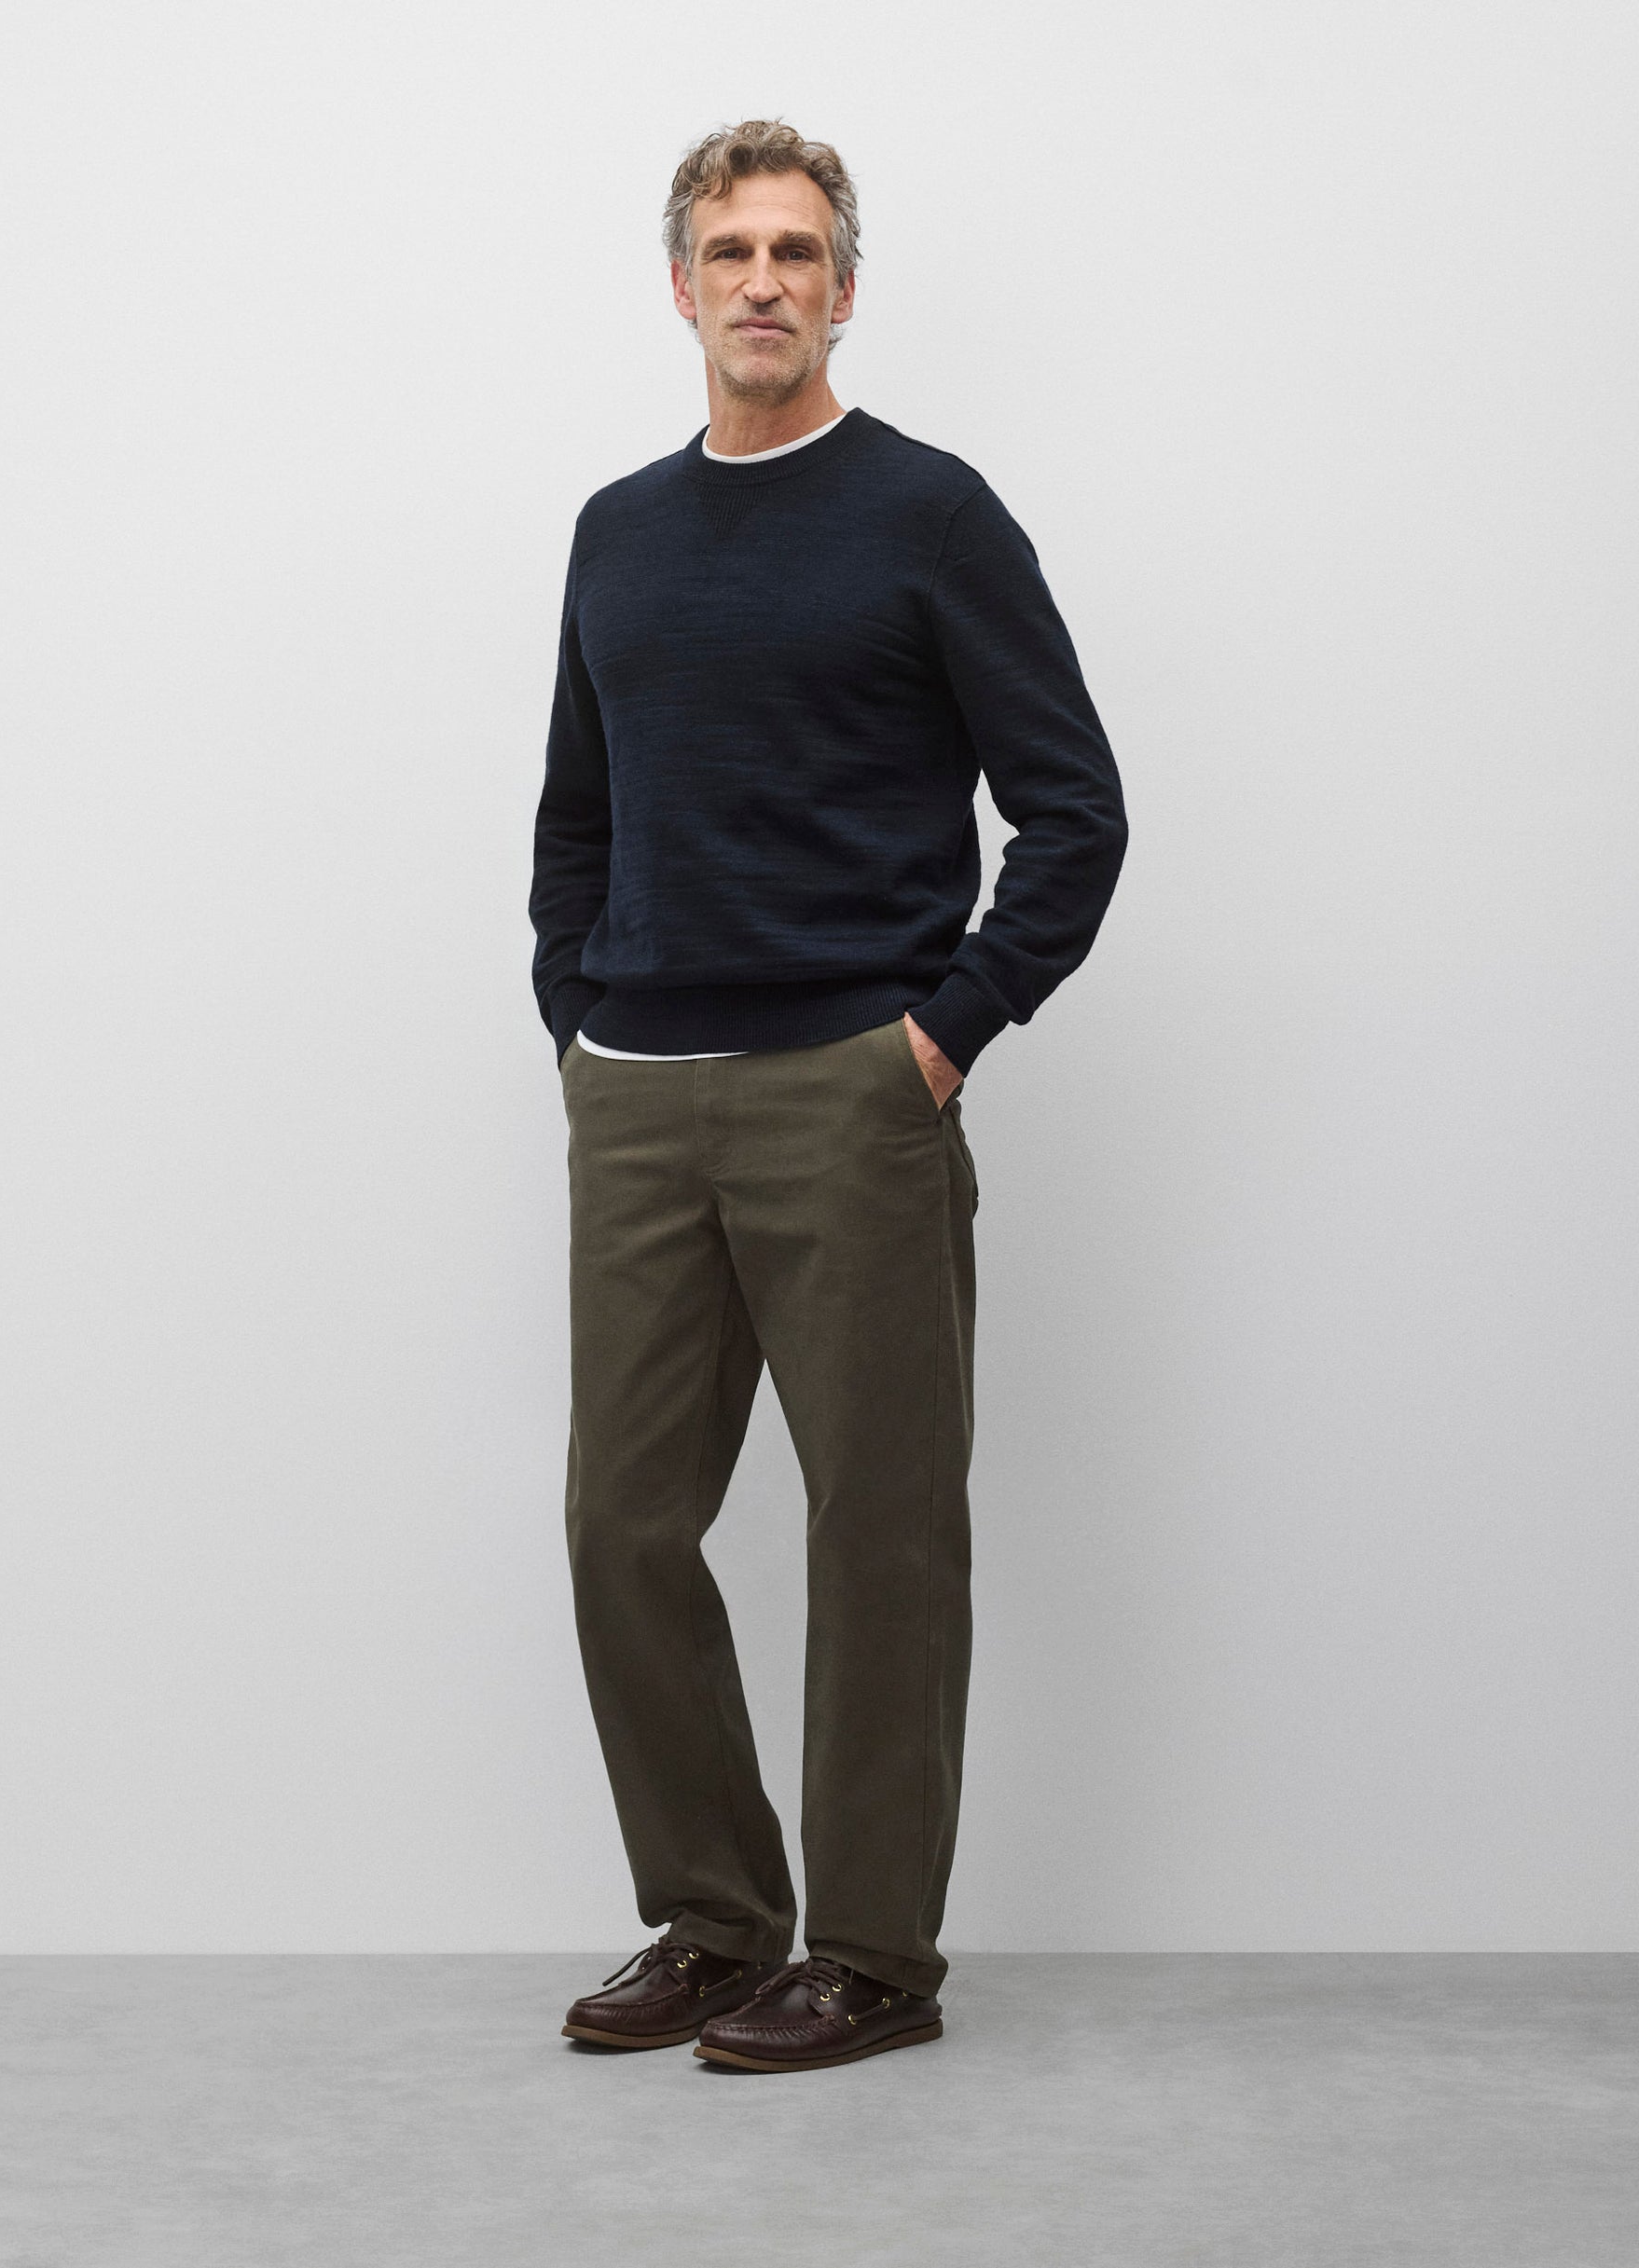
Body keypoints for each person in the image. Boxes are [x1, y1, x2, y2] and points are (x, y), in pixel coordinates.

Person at [529, 119, 1127, 2073]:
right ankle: (714, 1921)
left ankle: (869, 1953)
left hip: (850, 1093)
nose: (763, 280)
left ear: (844, 289)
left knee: (879, 1533)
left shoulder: (928, 513)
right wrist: (574, 1016)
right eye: (730, 250)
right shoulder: (617, 528)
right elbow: (577, 814)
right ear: (679, 286)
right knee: (623, 1525)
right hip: (638, 1096)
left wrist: (938, 1035)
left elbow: (1074, 809)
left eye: (796, 251)